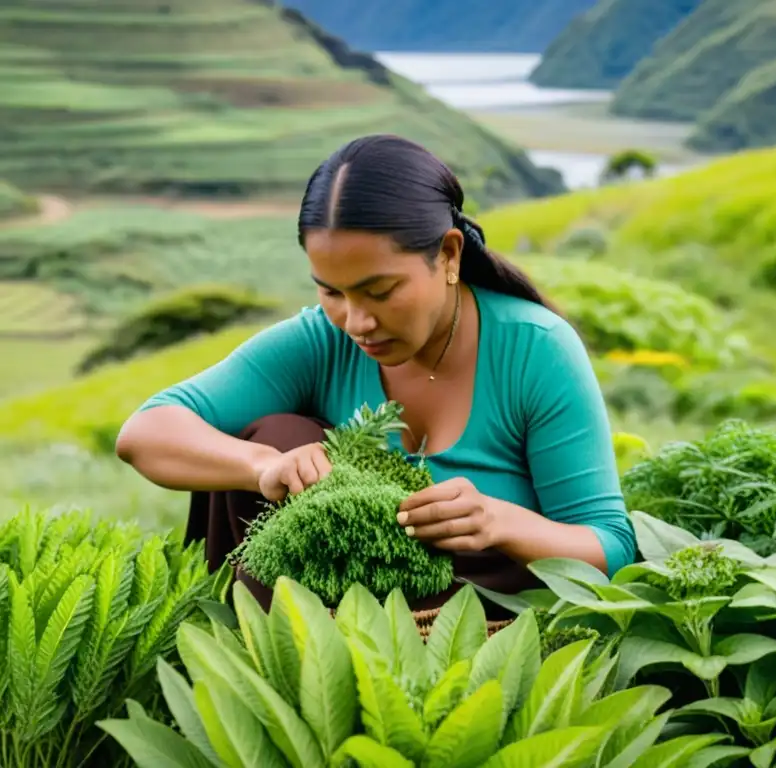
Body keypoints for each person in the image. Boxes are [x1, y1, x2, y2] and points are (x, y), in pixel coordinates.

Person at [114, 134, 638, 616]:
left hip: (486, 626)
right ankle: (276, 663)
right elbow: (147, 432)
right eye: (332, 292)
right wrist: (262, 466)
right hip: (331, 616)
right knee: (277, 435)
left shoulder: (534, 349)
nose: (358, 323)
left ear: (449, 254)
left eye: (381, 292)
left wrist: (498, 521)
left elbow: (611, 547)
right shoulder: (324, 339)